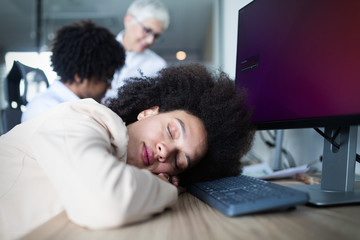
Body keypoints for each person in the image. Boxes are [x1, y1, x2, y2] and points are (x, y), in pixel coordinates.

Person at [0, 63, 254, 240]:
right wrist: (169, 190)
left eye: (179, 160)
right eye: (172, 131)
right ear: (148, 111)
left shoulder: (119, 162)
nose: (165, 152)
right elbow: (106, 202)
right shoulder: (82, 118)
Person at [21, 20, 126, 122]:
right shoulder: (45, 109)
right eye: (108, 78)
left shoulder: (80, 107)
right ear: (80, 75)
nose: (110, 86)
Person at [103, 0, 169, 100]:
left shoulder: (158, 66)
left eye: (156, 36)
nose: (150, 40)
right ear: (128, 20)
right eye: (147, 30)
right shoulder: (100, 51)